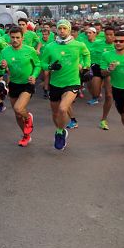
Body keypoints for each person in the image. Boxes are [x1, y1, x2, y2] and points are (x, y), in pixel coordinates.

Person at [40, 19, 90, 150]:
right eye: (60, 28)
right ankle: (61, 129)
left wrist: (85, 66)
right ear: (56, 29)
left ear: (69, 30)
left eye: (65, 28)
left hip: (72, 83)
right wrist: (51, 66)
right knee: (55, 113)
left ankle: (59, 132)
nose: (62, 31)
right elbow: (43, 64)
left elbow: (86, 55)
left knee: (63, 109)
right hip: (55, 83)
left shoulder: (78, 45)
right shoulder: (50, 46)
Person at [0, 27, 40, 146]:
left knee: (18, 108)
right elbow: (0, 69)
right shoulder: (5, 51)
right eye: (13, 37)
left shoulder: (30, 50)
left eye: (18, 37)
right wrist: (2, 67)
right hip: (14, 84)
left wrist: (34, 76)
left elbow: (38, 65)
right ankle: (26, 135)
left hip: (27, 84)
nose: (15, 40)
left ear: (22, 38)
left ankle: (28, 117)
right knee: (17, 114)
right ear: (9, 37)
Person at [101, 30, 124, 131]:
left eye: (121, 41)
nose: (118, 43)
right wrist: (109, 69)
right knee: (123, 113)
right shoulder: (106, 55)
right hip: (117, 89)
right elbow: (102, 73)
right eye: (116, 41)